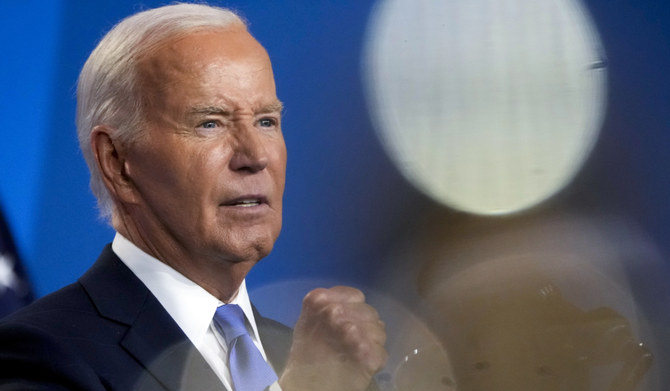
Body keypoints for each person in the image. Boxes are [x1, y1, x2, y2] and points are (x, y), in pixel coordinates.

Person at [0, 3, 387, 390]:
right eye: (209, 123)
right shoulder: (39, 354)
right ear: (117, 161)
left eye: (266, 121)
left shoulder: (319, 358)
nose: (255, 157)